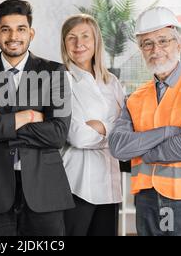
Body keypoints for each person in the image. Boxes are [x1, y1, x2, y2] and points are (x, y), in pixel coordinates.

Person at [109, 7, 181, 236]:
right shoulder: (135, 97)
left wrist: (145, 153)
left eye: (163, 41)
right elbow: (118, 146)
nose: (156, 50)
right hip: (147, 201)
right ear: (141, 50)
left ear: (177, 42)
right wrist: (167, 132)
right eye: (147, 43)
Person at [0, 0, 74, 236]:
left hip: (45, 192)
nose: (13, 36)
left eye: (21, 29)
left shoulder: (55, 72)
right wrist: (28, 116)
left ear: (31, 33)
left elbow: (57, 134)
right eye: (5, 29)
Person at [60, 14, 124, 236]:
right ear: (64, 43)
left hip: (109, 185)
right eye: (72, 37)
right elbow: (77, 136)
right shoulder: (61, 80)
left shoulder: (112, 82)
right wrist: (112, 130)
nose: (79, 44)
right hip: (76, 185)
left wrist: (99, 127)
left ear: (96, 41)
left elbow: (127, 131)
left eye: (85, 36)